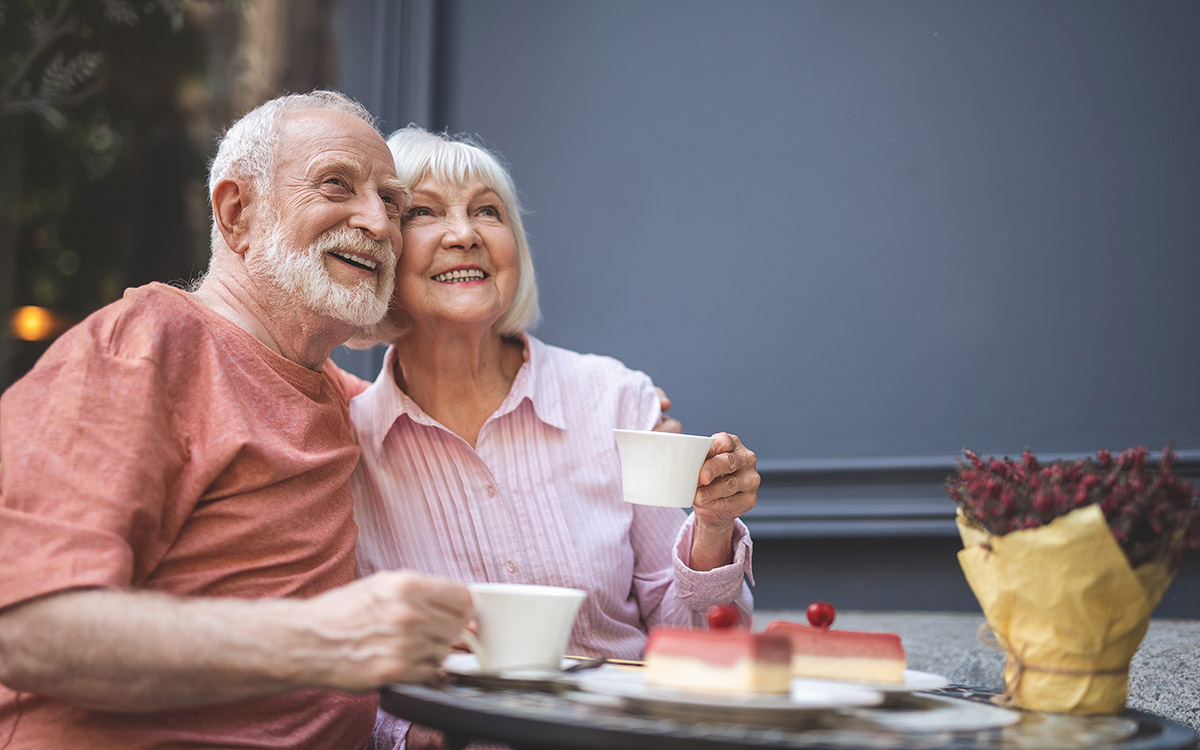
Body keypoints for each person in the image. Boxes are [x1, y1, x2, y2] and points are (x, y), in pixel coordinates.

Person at [0, 92, 473, 749]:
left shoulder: (342, 393)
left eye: (392, 203)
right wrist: (326, 639)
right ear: (236, 211)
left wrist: (610, 405)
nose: (377, 222)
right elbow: (26, 631)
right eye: (337, 185)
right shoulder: (143, 346)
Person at [348, 126, 761, 749]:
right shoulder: (347, 452)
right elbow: (339, 681)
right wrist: (414, 735)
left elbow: (704, 645)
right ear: (380, 251)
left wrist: (710, 527)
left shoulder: (613, 398)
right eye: (425, 212)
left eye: (488, 211)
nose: (466, 234)